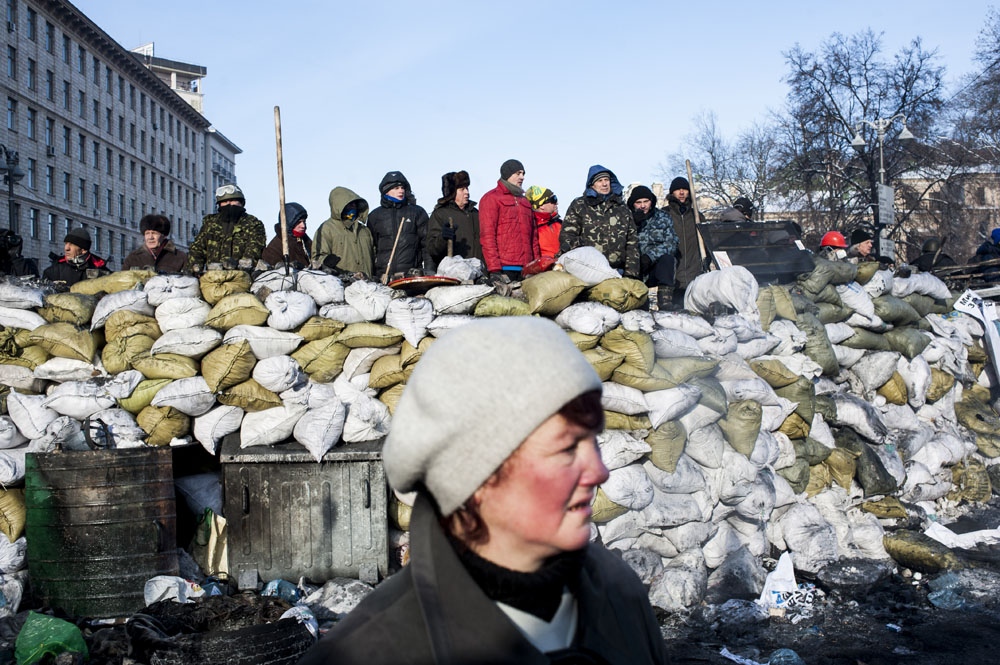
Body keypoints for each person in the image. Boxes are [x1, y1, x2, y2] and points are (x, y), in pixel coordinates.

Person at [298, 317, 669, 665]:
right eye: (566, 449)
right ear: (475, 479)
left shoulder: (618, 592)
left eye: (593, 441)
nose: (599, 472)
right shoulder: (364, 653)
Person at [559, 165, 640, 278]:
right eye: (600, 180)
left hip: (616, 270)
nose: (604, 184)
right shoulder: (580, 205)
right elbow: (567, 236)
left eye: (606, 180)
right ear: (592, 184)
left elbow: (632, 242)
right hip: (586, 270)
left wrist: (631, 274)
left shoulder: (622, 208)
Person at [184, 184, 266, 271]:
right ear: (219, 204)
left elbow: (254, 251)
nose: (229, 204)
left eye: (233, 200)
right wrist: (195, 269)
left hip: (242, 277)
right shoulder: (210, 224)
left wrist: (242, 267)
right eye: (224, 201)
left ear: (242, 203)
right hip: (212, 277)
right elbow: (197, 250)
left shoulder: (253, 224)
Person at [479, 159, 538, 280]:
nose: (522, 177)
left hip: (527, 269)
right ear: (507, 174)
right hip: (504, 268)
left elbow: (534, 238)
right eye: (518, 173)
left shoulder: (525, 201)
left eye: (523, 173)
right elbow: (488, 236)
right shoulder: (491, 198)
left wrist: (536, 266)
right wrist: (494, 269)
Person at [369, 171, 429, 279]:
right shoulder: (374, 216)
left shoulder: (417, 212)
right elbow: (371, 249)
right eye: (396, 188)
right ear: (386, 191)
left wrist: (429, 271)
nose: (401, 190)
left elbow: (427, 245)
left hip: (411, 276)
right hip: (383, 277)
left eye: (402, 187)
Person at [629, 185, 678, 309]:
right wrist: (633, 224)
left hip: (655, 266)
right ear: (632, 204)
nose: (643, 205)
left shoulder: (663, 217)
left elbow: (671, 243)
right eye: (638, 202)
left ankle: (665, 301)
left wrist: (650, 257)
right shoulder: (626, 219)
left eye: (646, 201)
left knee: (668, 259)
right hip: (633, 266)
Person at [312, 187, 374, 277]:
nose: (353, 206)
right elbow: (317, 259)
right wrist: (326, 262)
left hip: (368, 285)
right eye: (349, 204)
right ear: (339, 206)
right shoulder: (327, 229)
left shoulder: (365, 231)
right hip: (341, 285)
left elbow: (374, 256)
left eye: (355, 204)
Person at [427, 171, 482, 267]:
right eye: (462, 189)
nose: (467, 192)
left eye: (467, 188)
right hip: (454, 273)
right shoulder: (439, 214)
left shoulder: (475, 214)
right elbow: (432, 249)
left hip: (478, 272)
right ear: (452, 192)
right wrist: (442, 238)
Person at [664, 176, 707, 298]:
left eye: (684, 189)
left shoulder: (697, 216)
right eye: (678, 189)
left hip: (695, 276)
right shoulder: (664, 215)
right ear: (672, 192)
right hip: (673, 279)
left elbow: (706, 245)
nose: (681, 192)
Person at [42, 227, 109, 285]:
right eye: (66, 243)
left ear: (83, 250)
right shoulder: (53, 271)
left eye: (71, 244)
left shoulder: (101, 271)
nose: (66, 248)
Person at [122, 215, 187, 272]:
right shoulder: (132, 258)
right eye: (147, 233)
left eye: (154, 233)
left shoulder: (180, 257)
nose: (150, 237)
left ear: (164, 235)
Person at [262, 203, 311, 268]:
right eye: (298, 222)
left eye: (304, 222)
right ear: (289, 223)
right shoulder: (273, 250)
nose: (303, 226)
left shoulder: (306, 242)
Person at [526, 186, 561, 260]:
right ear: (541, 205)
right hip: (545, 268)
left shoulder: (561, 223)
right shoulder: (532, 227)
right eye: (553, 200)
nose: (557, 203)